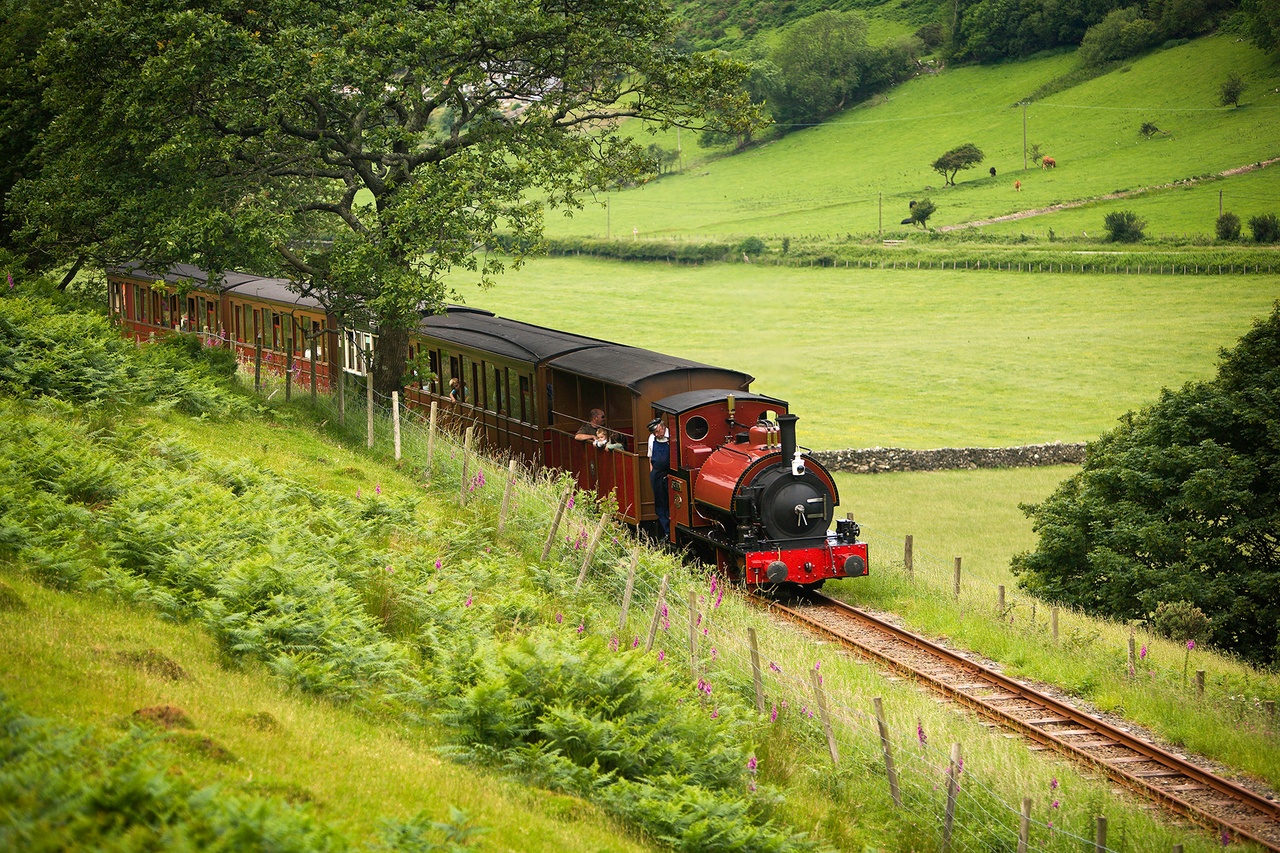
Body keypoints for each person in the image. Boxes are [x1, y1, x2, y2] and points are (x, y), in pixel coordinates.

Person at [647, 417, 671, 539]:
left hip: (669, 473)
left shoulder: (671, 436)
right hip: (657, 474)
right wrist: (652, 473)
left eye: (657, 431)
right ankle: (666, 530)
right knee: (660, 503)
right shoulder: (652, 438)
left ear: (662, 427)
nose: (656, 434)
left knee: (670, 501)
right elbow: (650, 457)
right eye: (654, 433)